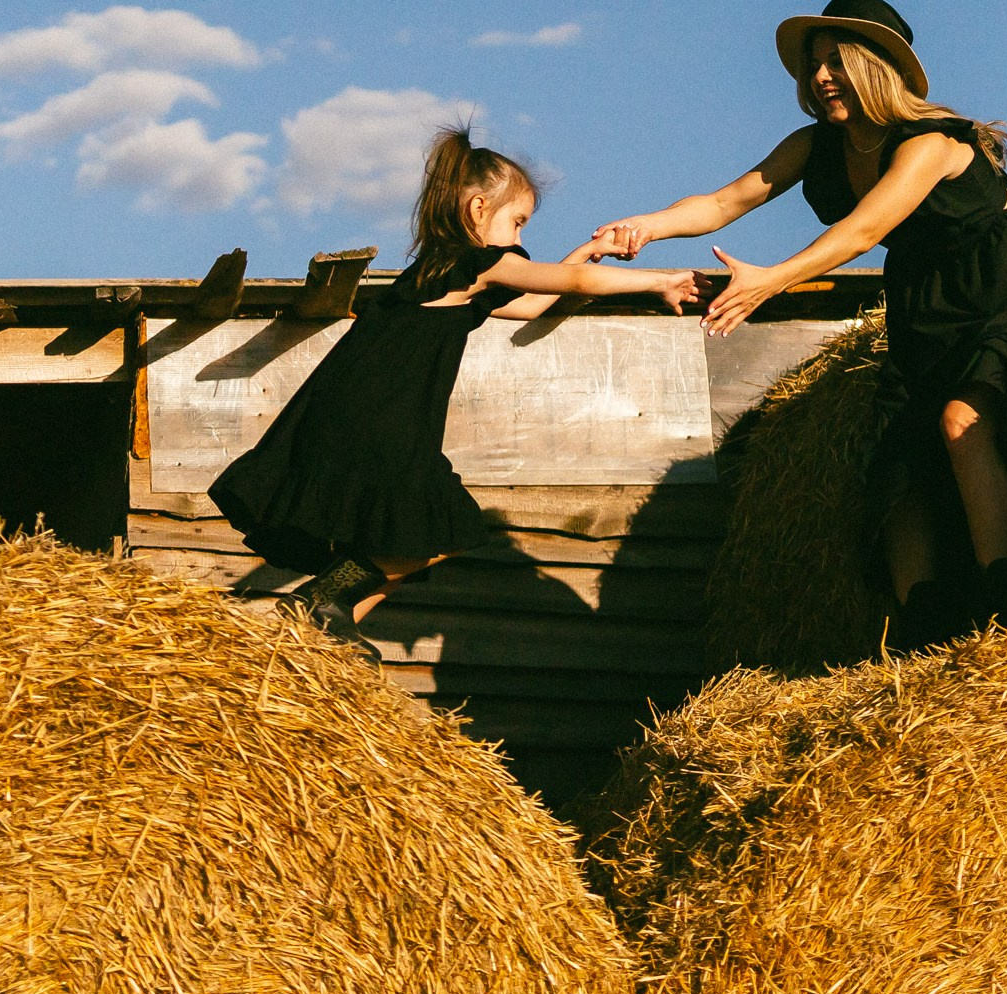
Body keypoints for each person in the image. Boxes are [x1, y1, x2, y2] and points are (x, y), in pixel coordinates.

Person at [595, 0, 1007, 649]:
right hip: (928, 302)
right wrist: (646, 227)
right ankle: (924, 630)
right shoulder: (816, 146)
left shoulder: (933, 141)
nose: (819, 76)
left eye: (835, 62)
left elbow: (865, 229)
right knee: (897, 467)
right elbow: (723, 202)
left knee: (959, 420)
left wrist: (771, 280)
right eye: (812, 66)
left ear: (874, 65)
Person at [213, 125, 700, 635]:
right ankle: (319, 599)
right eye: (517, 222)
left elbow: (536, 302)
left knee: (408, 539)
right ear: (477, 210)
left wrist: (586, 250)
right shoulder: (472, 262)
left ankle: (325, 625)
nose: (519, 240)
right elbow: (573, 284)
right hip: (382, 418)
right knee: (439, 531)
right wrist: (660, 279)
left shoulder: (445, 269)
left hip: (370, 413)